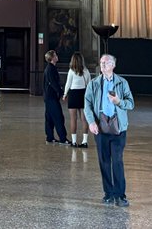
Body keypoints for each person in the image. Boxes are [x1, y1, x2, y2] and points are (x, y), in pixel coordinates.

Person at [84, 53, 135, 207]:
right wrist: (91, 122)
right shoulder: (94, 83)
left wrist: (118, 101)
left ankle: (120, 195)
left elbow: (131, 104)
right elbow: (87, 104)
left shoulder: (122, 83)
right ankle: (108, 193)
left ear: (113, 65)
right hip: (100, 128)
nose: (102, 65)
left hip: (118, 128)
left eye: (106, 63)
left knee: (117, 161)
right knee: (104, 161)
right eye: (101, 63)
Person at [63, 51, 91, 147]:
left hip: (73, 94)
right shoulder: (86, 71)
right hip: (83, 94)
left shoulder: (71, 71)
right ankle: (84, 141)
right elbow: (89, 84)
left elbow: (68, 84)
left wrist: (65, 94)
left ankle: (74, 142)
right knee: (84, 119)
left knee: (73, 119)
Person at [42, 50, 70, 145]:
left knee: (49, 117)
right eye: (55, 55)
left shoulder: (50, 68)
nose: (57, 56)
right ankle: (63, 138)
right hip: (51, 97)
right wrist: (62, 93)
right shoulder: (51, 69)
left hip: (49, 97)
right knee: (58, 117)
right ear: (52, 58)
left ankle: (50, 137)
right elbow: (54, 83)